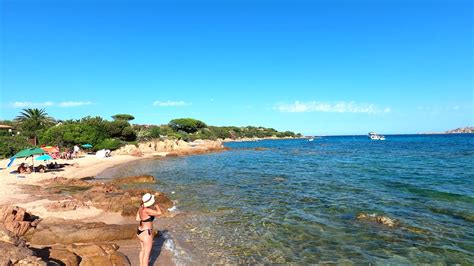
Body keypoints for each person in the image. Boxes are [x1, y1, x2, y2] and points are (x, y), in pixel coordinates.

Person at [136, 193, 162, 266]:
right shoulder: (146, 210)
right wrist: (156, 205)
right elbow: (159, 213)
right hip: (146, 233)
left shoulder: (141, 208)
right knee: (147, 254)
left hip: (140, 231)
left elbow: (137, 218)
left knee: (142, 251)